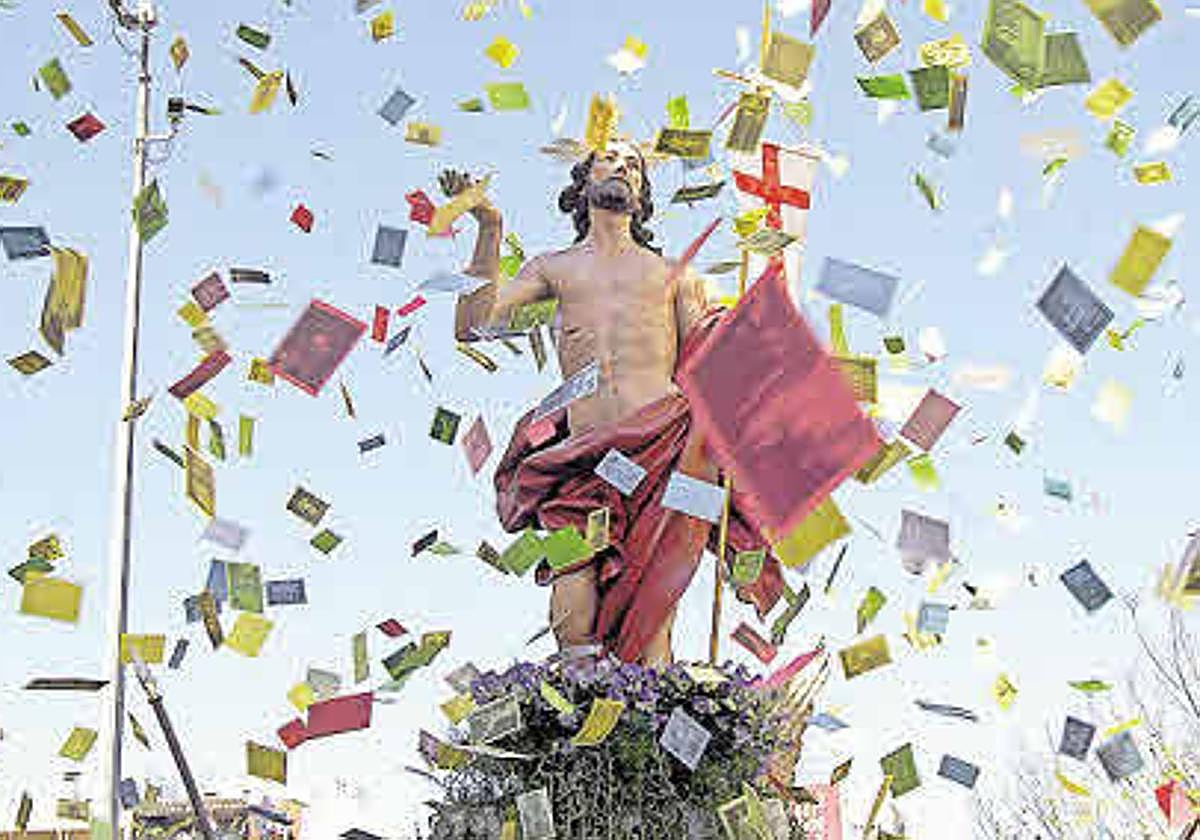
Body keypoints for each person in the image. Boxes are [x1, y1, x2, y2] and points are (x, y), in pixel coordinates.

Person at [447, 139, 781, 666]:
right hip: (582, 457)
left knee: (654, 603)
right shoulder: (552, 267)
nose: (623, 167)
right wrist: (489, 227)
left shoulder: (677, 275)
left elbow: (707, 364)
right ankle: (576, 720)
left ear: (643, 194)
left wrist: (744, 339)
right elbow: (472, 323)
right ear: (583, 183)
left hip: (666, 452)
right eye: (611, 158)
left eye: (634, 165)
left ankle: (642, 725)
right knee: (570, 580)